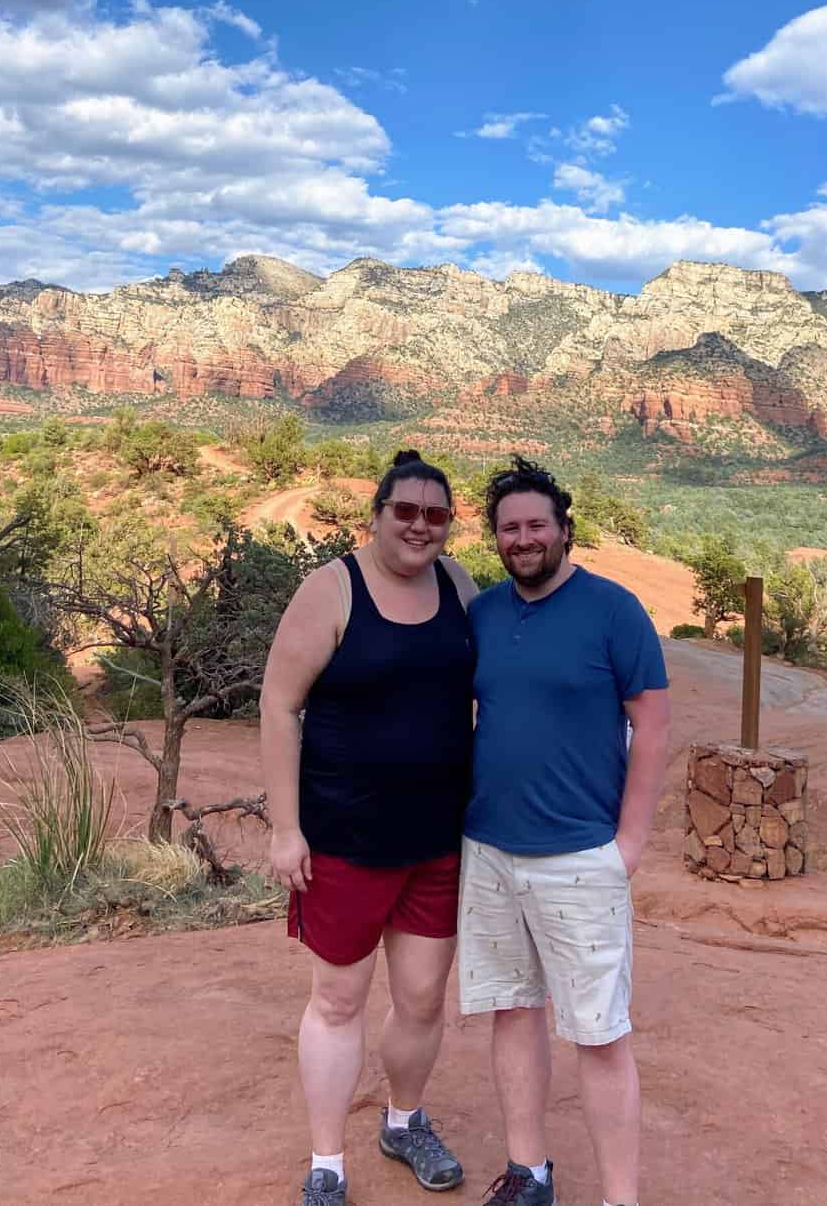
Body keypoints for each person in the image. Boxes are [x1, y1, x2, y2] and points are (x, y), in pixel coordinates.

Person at [260, 449, 478, 1206]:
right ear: (377, 515)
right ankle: (327, 1163)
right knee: (338, 1000)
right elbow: (279, 705)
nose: (420, 525)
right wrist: (286, 827)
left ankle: (403, 1120)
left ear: (448, 525)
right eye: (406, 511)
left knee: (421, 997)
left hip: (436, 841)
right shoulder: (332, 589)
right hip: (345, 840)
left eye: (435, 514)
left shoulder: (457, 585)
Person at [459, 457, 670, 1206]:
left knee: (600, 1033)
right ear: (497, 537)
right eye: (509, 527)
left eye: (536, 525)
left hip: (582, 854)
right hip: (488, 848)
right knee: (513, 1010)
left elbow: (652, 723)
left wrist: (630, 843)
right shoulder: (482, 615)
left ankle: (620, 1197)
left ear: (564, 530)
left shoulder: (614, 610)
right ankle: (529, 1173)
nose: (523, 539)